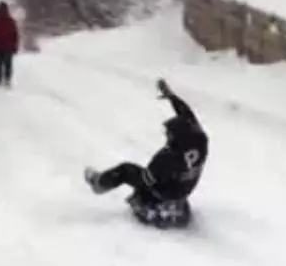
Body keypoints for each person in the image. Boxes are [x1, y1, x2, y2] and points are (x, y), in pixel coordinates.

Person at [84, 79, 208, 228]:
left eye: (169, 134)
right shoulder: (200, 141)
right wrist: (172, 97)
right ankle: (172, 203)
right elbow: (188, 116)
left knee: (126, 169)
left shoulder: (166, 158)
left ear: (177, 137)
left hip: (164, 193)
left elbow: (146, 180)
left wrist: (140, 191)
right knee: (168, 180)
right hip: (183, 190)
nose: (167, 137)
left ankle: (99, 183)